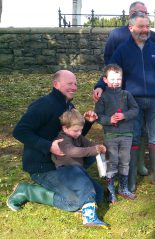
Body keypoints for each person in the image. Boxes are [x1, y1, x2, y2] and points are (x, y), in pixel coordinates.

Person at [8, 70, 109, 229]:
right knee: (76, 201)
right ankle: (27, 191)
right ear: (56, 84)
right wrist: (49, 147)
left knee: (97, 195)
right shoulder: (43, 105)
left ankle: (80, 185)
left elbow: (73, 137)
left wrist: (87, 123)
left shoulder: (69, 106)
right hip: (43, 167)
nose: (74, 87)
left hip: (65, 164)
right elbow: (19, 131)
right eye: (70, 83)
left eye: (75, 83)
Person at [107, 12, 155, 190]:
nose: (145, 30)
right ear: (131, 28)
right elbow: (111, 70)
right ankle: (131, 178)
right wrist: (101, 86)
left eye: (147, 27)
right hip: (132, 103)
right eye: (141, 27)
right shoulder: (122, 50)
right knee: (134, 137)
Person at [93, 1, 155, 179]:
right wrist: (101, 84)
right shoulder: (116, 35)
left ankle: (139, 163)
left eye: (144, 13)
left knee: (142, 130)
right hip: (120, 92)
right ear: (130, 16)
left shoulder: (152, 36)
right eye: (138, 12)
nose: (142, 15)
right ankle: (116, 167)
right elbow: (110, 64)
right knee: (119, 128)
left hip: (145, 93)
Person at [95, 64, 139, 203]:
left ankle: (123, 188)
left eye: (118, 79)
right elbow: (98, 116)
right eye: (112, 79)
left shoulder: (126, 95)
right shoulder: (103, 97)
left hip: (127, 135)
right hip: (111, 136)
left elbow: (135, 110)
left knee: (125, 161)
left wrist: (125, 115)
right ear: (105, 80)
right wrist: (110, 119)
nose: (116, 81)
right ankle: (111, 191)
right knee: (112, 162)